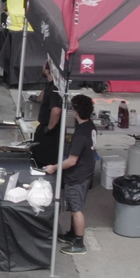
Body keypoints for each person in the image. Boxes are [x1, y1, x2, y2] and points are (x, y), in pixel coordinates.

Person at [31, 93, 97, 255]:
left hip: (77, 175)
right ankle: (72, 235)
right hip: (86, 172)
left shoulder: (80, 135)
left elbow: (71, 161)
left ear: (75, 112)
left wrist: (53, 167)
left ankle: (79, 244)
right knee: (76, 205)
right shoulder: (90, 127)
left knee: (76, 209)